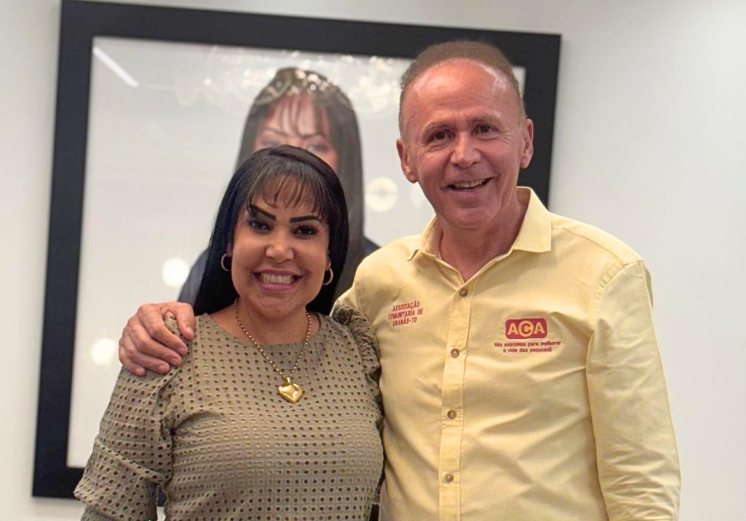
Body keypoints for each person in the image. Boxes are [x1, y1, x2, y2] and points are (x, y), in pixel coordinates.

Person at [119, 42, 681, 520]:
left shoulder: (603, 274)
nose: (464, 155)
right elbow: (281, 331)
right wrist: (159, 322)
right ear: (407, 159)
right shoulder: (378, 283)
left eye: (485, 129)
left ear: (526, 141)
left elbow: (641, 484)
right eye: (439, 136)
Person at [77, 146, 383, 520]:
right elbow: (109, 512)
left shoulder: (358, 352)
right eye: (260, 225)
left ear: (330, 254)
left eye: (305, 231)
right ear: (229, 241)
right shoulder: (167, 352)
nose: (279, 250)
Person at [178, 67, 378, 306]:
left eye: (314, 146)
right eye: (273, 142)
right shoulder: (204, 272)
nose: (291, 159)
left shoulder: (378, 274)